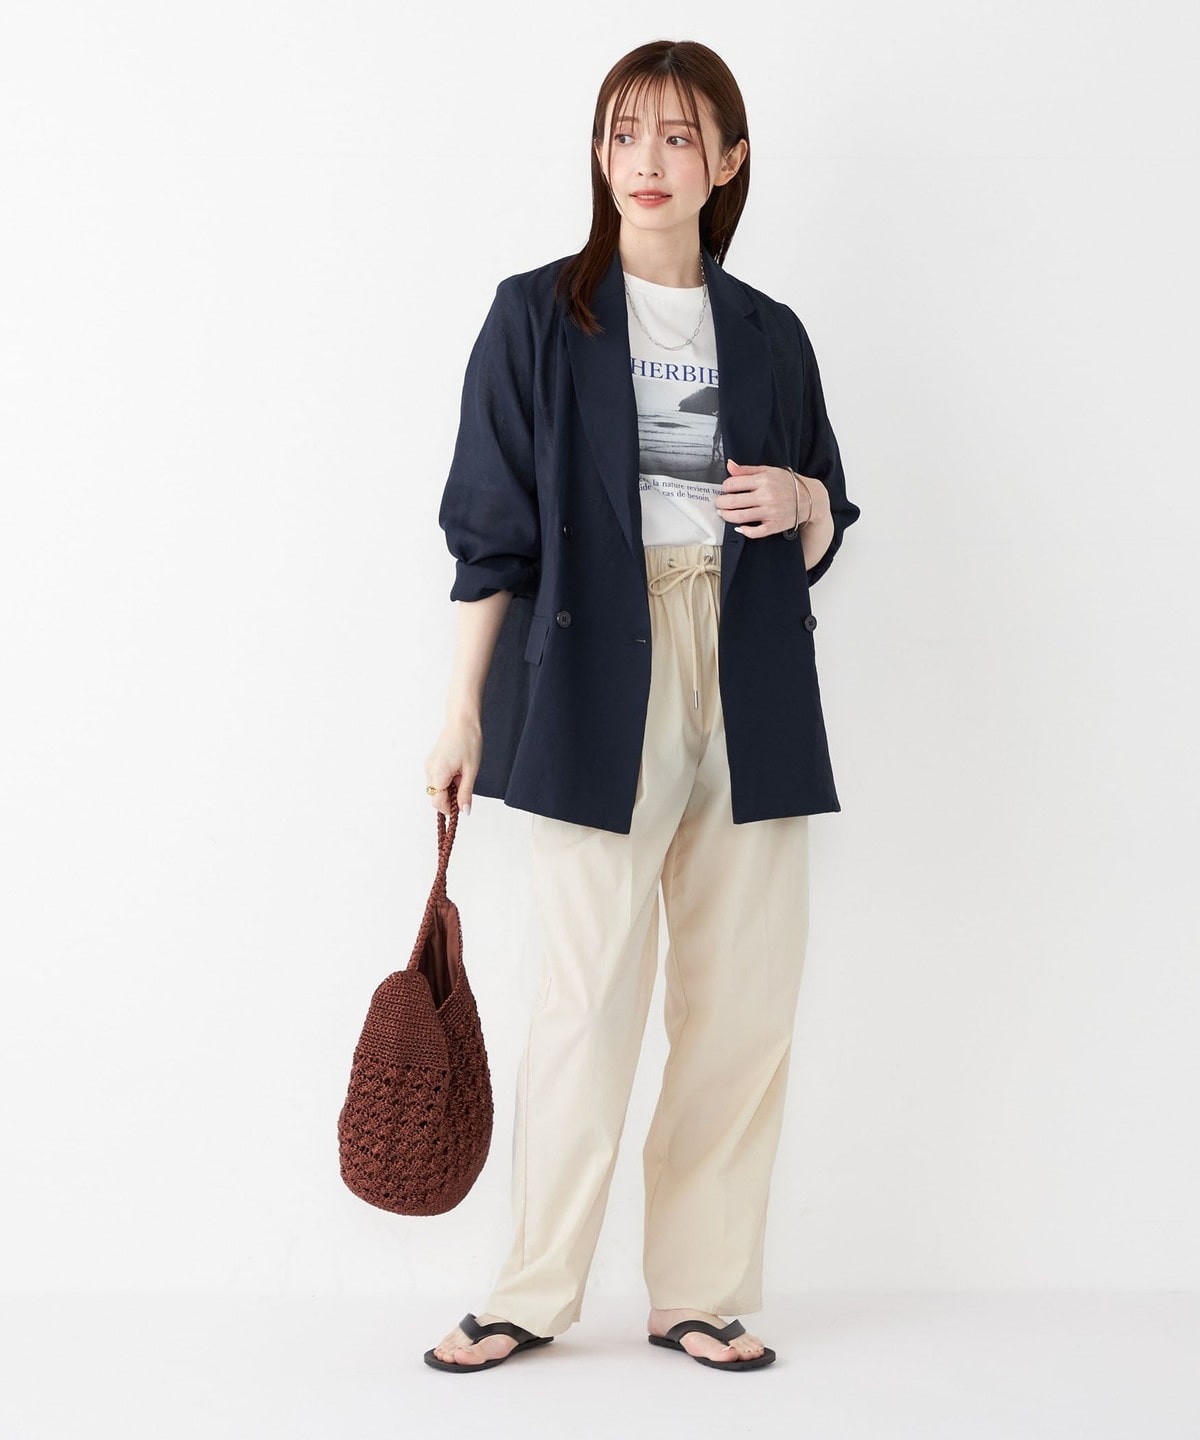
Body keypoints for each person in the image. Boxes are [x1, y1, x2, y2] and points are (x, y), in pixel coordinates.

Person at [422, 38, 860, 1373]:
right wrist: (461, 711)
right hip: (594, 671)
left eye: (677, 136)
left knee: (743, 1000)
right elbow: (490, 531)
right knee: (586, 995)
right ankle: (532, 1289)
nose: (647, 161)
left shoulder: (771, 332)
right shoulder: (537, 316)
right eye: (624, 134)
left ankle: (699, 1291)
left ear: (728, 161)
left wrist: (802, 500)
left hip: (751, 666)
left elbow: (827, 513)